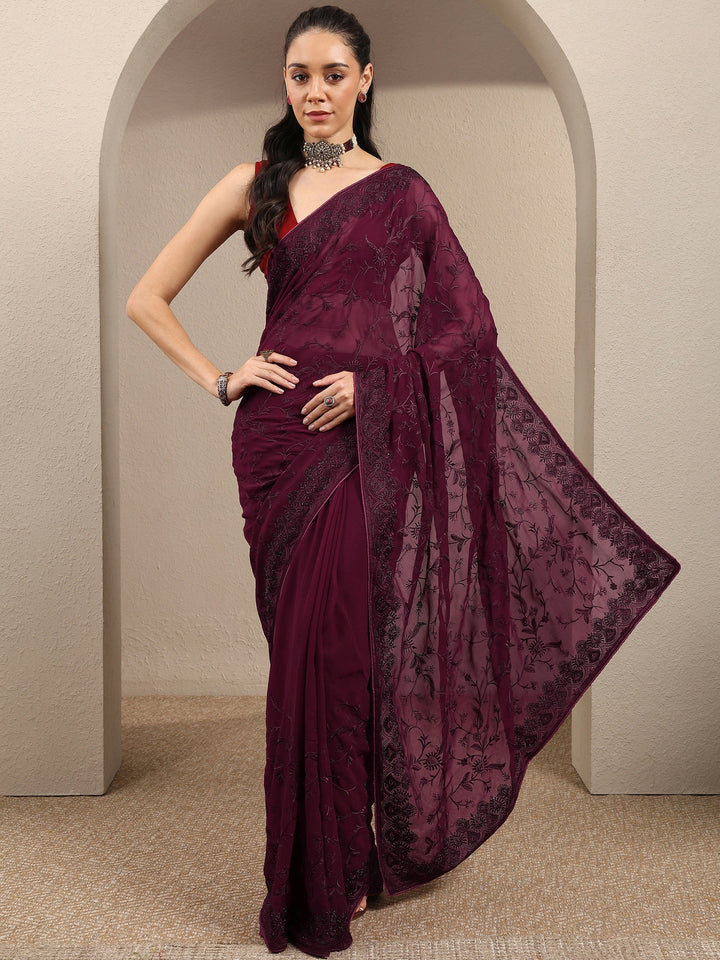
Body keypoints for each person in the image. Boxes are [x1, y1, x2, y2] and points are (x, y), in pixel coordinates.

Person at [126, 5, 681, 958]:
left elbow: (468, 333)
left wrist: (376, 387)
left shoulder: (405, 194)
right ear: (285, 82)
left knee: (340, 656)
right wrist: (221, 377)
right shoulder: (256, 183)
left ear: (366, 81)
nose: (315, 93)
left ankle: (335, 872)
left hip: (362, 444)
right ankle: (319, 867)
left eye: (333, 74)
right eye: (299, 75)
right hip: (277, 445)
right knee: (300, 660)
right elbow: (147, 296)